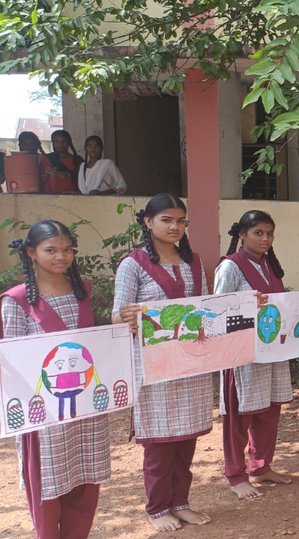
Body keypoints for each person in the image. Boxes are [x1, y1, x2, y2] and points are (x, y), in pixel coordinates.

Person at [112, 193, 213, 532]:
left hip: (191, 361)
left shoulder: (194, 262)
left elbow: (206, 308)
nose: (174, 227)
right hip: (154, 367)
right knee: (159, 442)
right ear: (148, 222)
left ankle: (181, 502)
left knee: (186, 439)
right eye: (167, 220)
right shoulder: (133, 264)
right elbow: (117, 314)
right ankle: (157, 507)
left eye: (180, 221)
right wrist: (125, 317)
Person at [2, 221, 110, 539]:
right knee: (47, 484)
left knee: (85, 478)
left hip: (84, 406)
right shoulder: (17, 301)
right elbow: (10, 358)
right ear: (31, 252)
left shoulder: (83, 292)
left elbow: (96, 343)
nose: (61, 257)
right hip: (44, 413)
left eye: (67, 250)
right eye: (51, 250)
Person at [215, 211, 295, 499]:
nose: (265, 239)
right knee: (240, 414)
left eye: (269, 233)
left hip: (272, 350)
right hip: (242, 354)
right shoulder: (230, 267)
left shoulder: (269, 266)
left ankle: (260, 465)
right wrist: (246, 303)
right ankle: (235, 474)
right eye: (258, 233)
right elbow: (219, 309)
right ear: (242, 235)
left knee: (269, 409)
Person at [41, 130, 82, 194]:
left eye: (64, 141)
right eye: (57, 141)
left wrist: (67, 175)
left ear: (69, 143)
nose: (60, 144)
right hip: (49, 198)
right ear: (53, 143)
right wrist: (46, 174)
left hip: (72, 197)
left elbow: (83, 181)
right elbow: (40, 181)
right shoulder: (47, 159)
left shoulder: (78, 160)